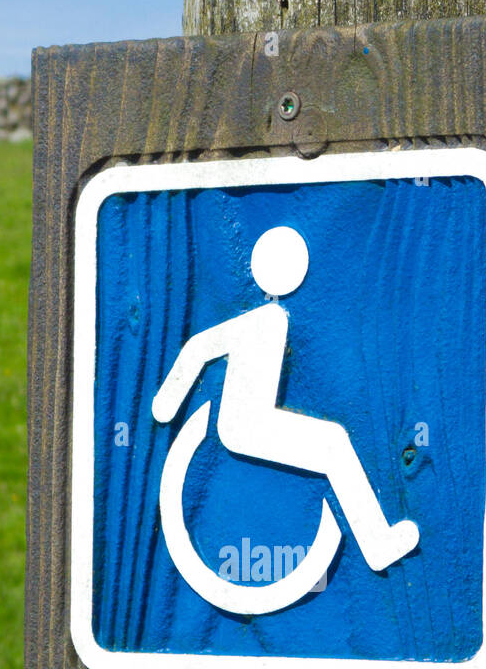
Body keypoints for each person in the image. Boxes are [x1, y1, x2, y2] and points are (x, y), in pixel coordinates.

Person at [151, 225, 419, 573]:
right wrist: (165, 405)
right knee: (333, 443)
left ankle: (376, 542)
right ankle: (376, 543)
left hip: (253, 422)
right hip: (247, 426)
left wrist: (167, 405)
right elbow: (198, 348)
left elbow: (198, 348)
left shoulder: (269, 319)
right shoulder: (263, 319)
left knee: (333, 442)